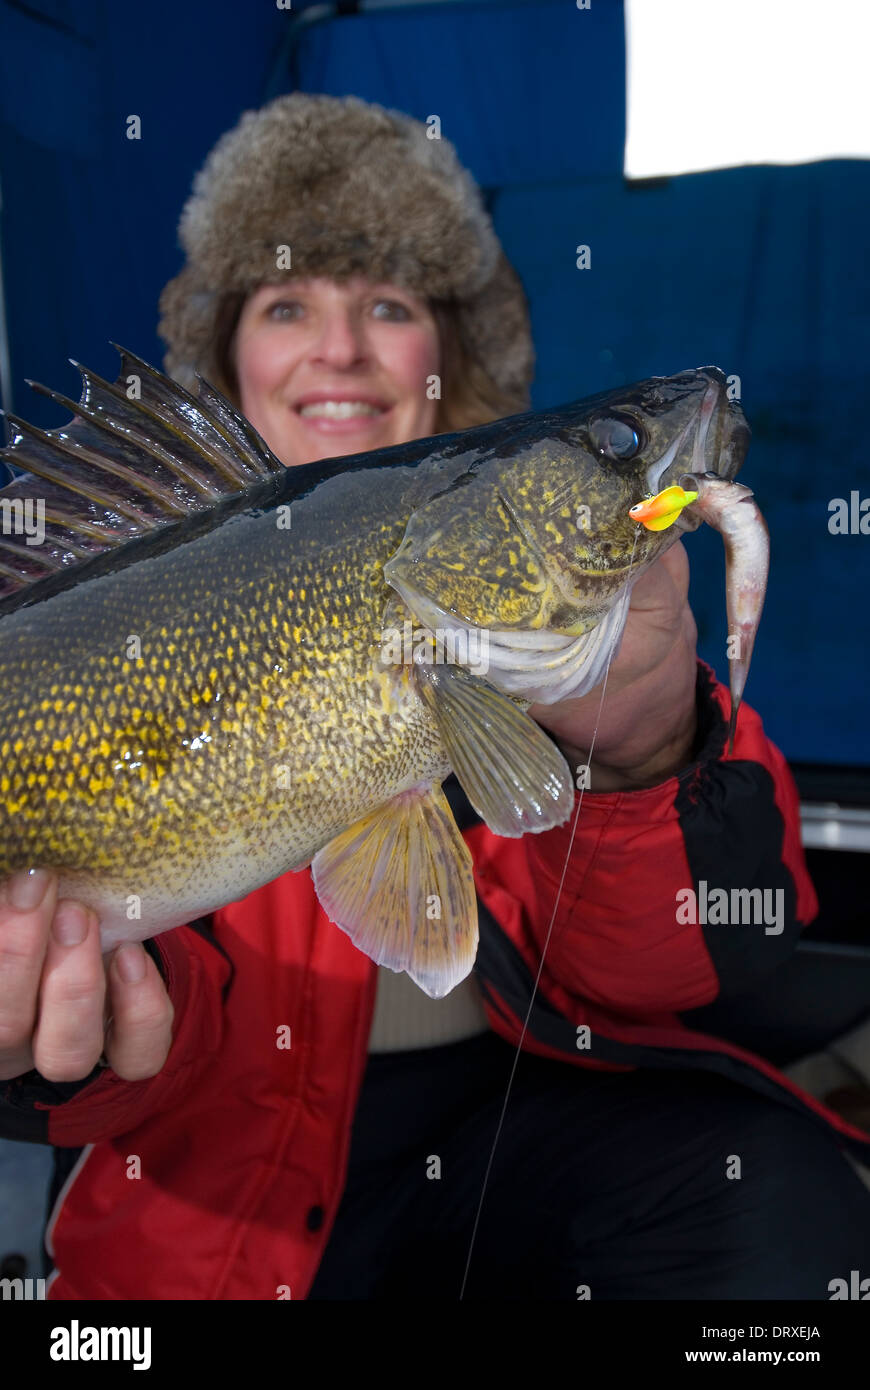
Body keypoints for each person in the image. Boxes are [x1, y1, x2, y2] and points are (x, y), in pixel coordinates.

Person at [1, 93, 869, 1301]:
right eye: (288, 303)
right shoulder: (142, 566)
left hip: (504, 1155)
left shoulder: (590, 628)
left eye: (391, 306)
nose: (341, 348)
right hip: (218, 1209)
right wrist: (48, 1059)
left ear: (448, 357)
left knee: (770, 1191)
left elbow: (691, 968)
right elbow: (144, 1047)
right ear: (229, 355)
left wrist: (650, 745)